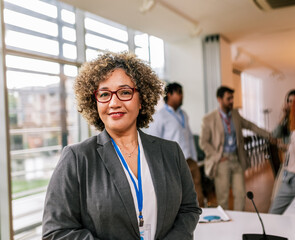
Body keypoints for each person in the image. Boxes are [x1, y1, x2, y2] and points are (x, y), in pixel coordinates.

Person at [42, 52, 201, 240]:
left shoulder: (171, 152)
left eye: (125, 92)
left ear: (141, 100)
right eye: (104, 94)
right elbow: (56, 232)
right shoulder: (77, 158)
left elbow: (189, 209)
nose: (114, 102)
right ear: (95, 103)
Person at [199, 86, 271, 211]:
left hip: (236, 159)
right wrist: (217, 156)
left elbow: (250, 125)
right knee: (223, 198)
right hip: (221, 161)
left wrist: (269, 135)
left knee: (240, 194)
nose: (232, 101)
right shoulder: (209, 119)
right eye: (228, 99)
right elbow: (203, 142)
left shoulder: (235, 114)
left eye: (232, 98)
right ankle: (225, 227)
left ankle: (239, 223)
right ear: (219, 99)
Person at [146, 82, 204, 207]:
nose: (182, 96)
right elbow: (152, 143)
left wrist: (194, 159)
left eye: (182, 93)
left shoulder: (184, 114)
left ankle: (202, 221)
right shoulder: (160, 117)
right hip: (174, 164)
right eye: (179, 93)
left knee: (198, 196)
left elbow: (188, 138)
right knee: (181, 198)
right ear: (169, 95)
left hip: (190, 161)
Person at [271, 89, 295, 200]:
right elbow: (274, 135)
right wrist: (283, 115)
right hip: (288, 162)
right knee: (276, 195)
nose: (291, 104)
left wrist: (286, 146)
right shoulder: (287, 119)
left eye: (294, 101)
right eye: (289, 101)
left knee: (282, 196)